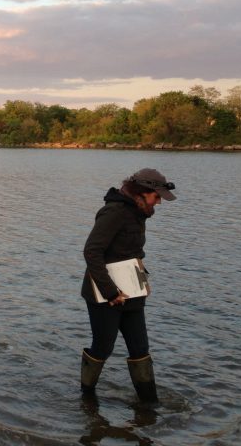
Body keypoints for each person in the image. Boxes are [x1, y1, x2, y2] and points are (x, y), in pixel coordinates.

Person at [80, 168, 176, 403]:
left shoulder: (138, 212)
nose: (159, 203)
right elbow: (92, 252)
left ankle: (149, 403)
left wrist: (143, 281)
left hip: (133, 293)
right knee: (103, 347)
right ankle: (86, 397)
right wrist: (111, 292)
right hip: (104, 295)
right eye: (157, 197)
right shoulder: (114, 212)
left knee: (140, 348)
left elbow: (131, 253)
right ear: (142, 193)